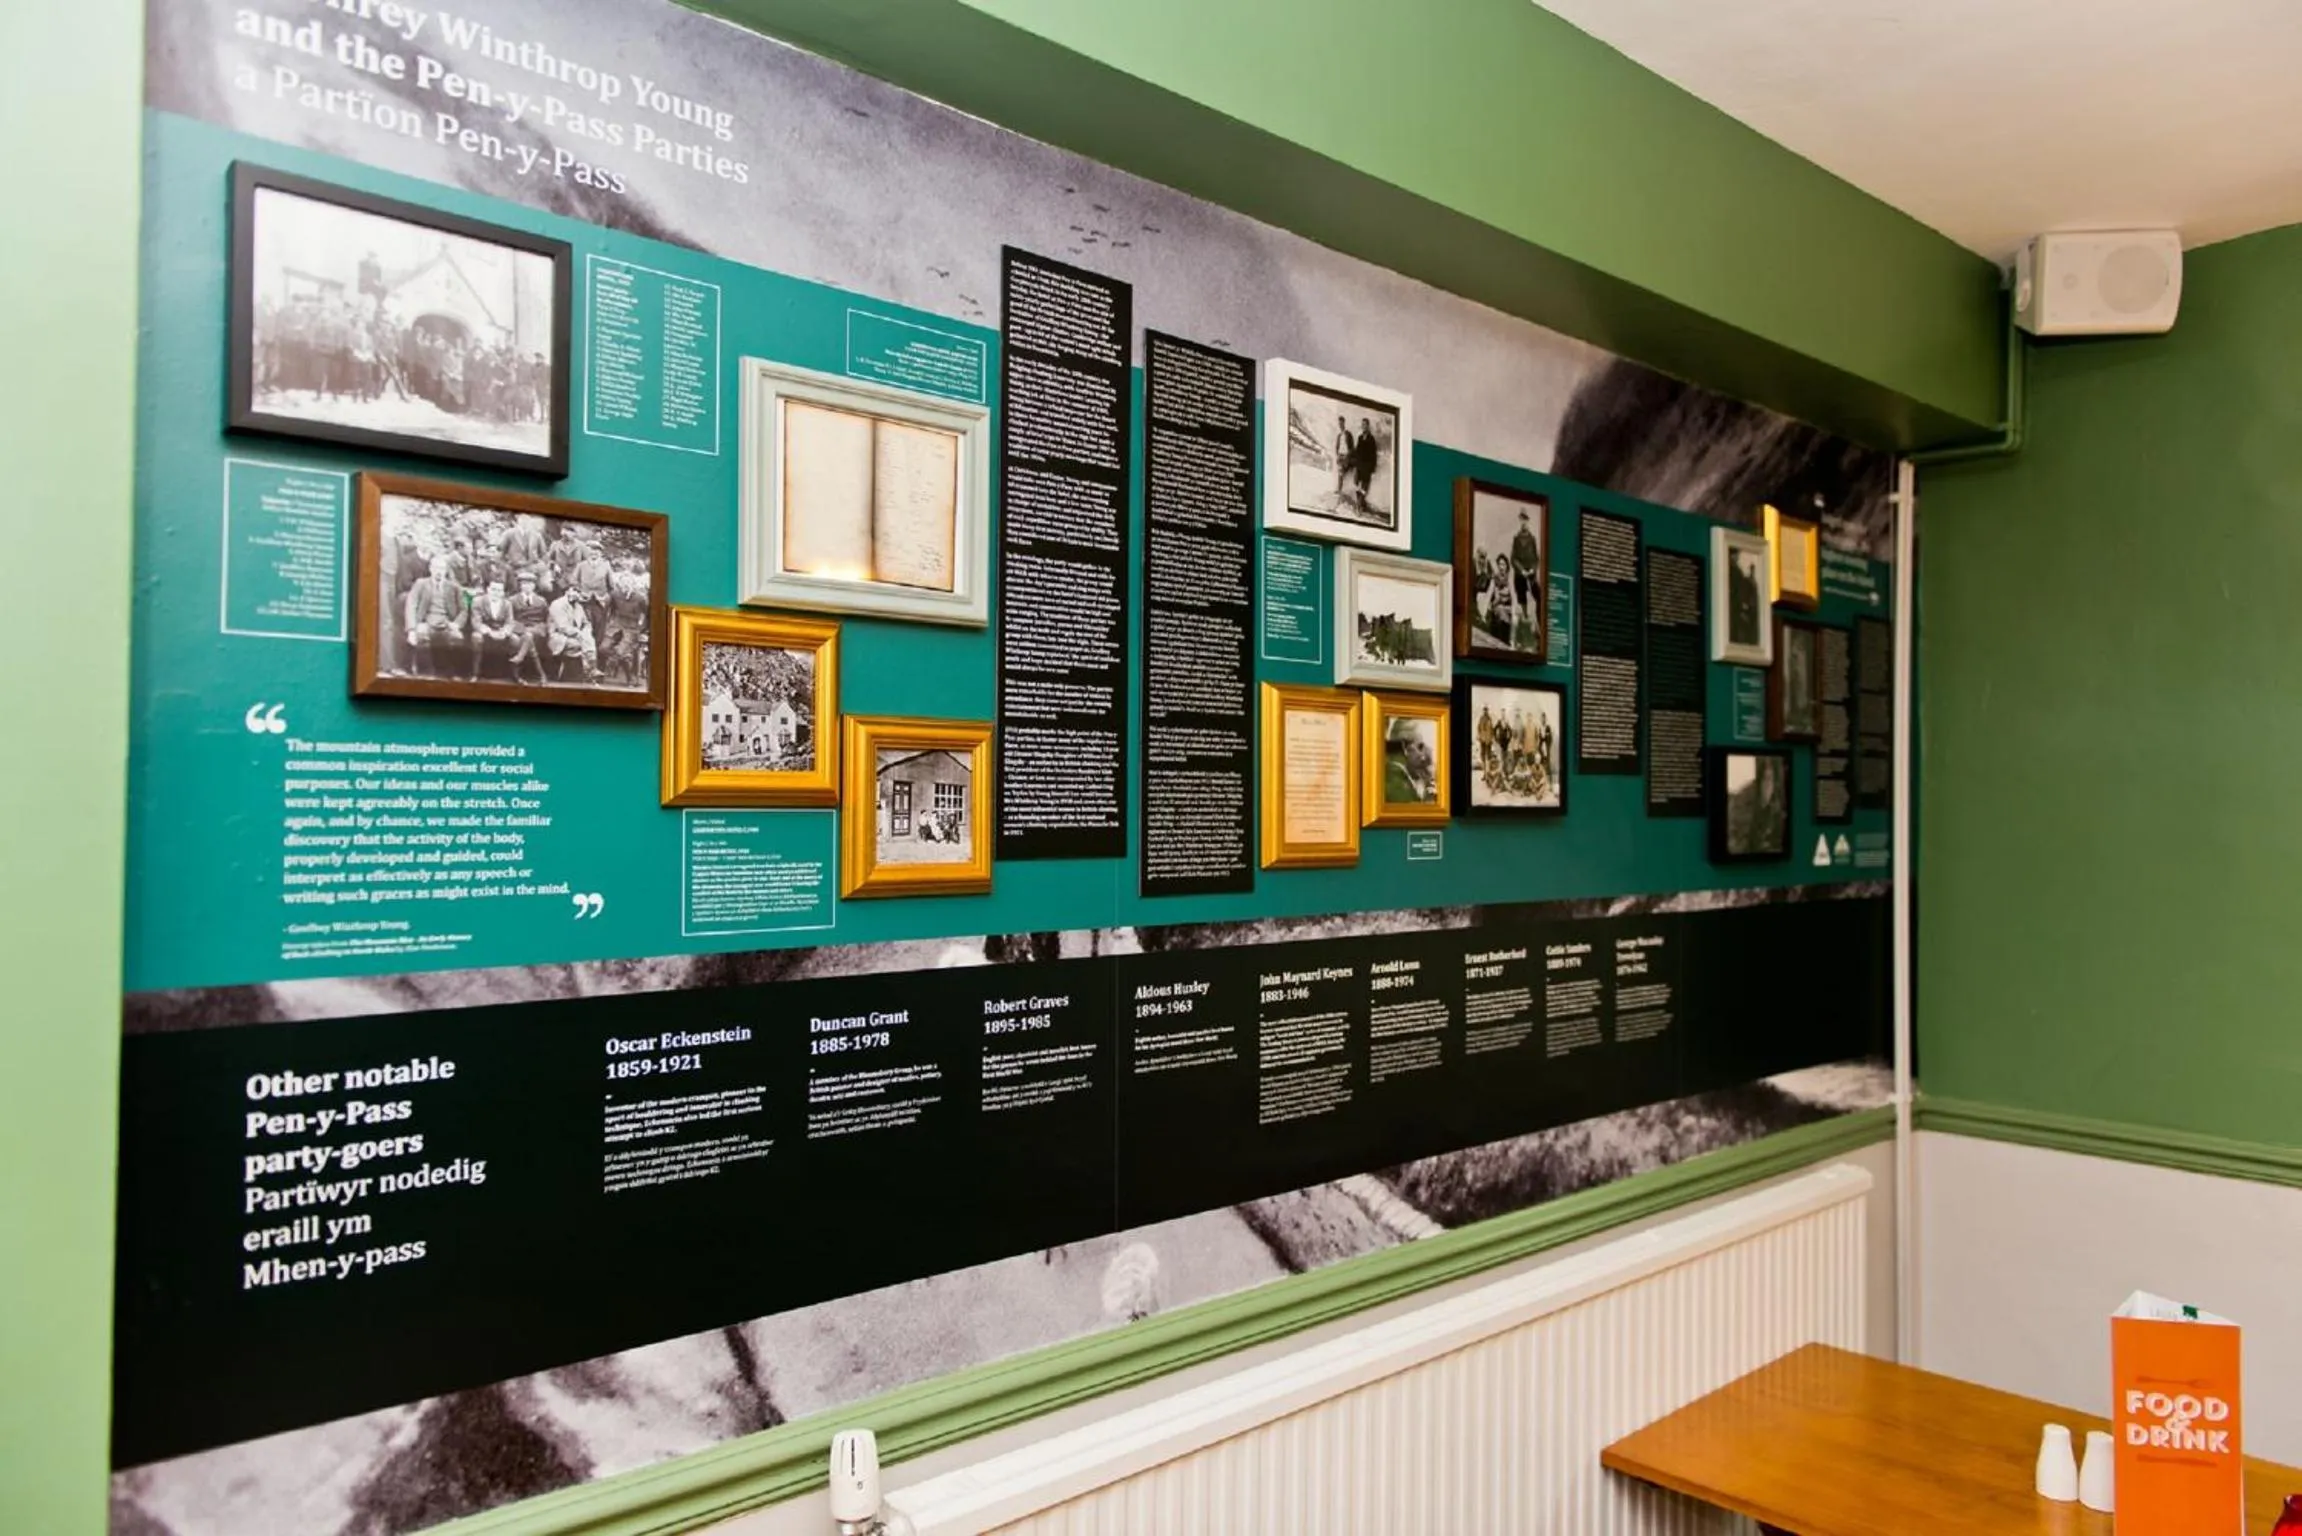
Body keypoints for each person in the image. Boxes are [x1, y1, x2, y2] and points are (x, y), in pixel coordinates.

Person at [403, 554, 466, 677]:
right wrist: (411, 629)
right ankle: (424, 673)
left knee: (457, 637)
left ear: (446, 570)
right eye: (436, 568)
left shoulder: (453, 587)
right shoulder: (421, 584)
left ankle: (451, 673)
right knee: (421, 634)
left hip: (447, 623)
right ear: (431, 569)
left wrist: (457, 624)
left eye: (442, 569)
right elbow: (411, 605)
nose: (439, 572)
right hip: (426, 622)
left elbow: (463, 609)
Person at [465, 578, 520, 682]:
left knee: (515, 640)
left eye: (499, 590)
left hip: (501, 632)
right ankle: (475, 673)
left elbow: (510, 622)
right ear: (488, 589)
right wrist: (489, 632)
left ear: (503, 592)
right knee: (477, 638)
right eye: (494, 589)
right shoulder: (478, 601)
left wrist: (504, 632)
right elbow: (476, 622)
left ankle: (515, 674)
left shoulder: (507, 604)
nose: (496, 593)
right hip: (484, 631)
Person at [506, 569, 550, 684]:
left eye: (530, 584)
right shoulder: (512, 600)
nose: (527, 587)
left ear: (534, 586)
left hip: (537, 630)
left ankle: (517, 668)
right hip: (520, 629)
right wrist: (522, 629)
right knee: (526, 638)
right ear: (520, 585)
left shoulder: (541, 601)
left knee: (529, 636)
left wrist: (538, 629)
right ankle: (541, 675)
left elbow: (546, 619)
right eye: (524, 584)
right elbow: (510, 619)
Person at [546, 588, 597, 682]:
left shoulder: (578, 606)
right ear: (566, 592)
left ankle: (591, 668)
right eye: (573, 591)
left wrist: (587, 631)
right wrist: (580, 634)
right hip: (558, 636)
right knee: (579, 644)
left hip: (576, 635)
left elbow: (586, 623)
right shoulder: (557, 604)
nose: (576, 594)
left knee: (588, 639)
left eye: (578, 592)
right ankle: (589, 670)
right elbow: (562, 627)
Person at [1509, 510, 1543, 645]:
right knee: (1522, 601)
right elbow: (1513, 558)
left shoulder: (1532, 539)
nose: (1524, 522)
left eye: (1526, 519)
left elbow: (1536, 558)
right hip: (1520, 576)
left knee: (1539, 596)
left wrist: (1532, 570)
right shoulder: (1516, 539)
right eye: (1522, 519)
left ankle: (1539, 626)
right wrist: (1522, 570)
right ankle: (1525, 631)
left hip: (1531, 575)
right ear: (1519, 521)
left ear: (1528, 521)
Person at [1351, 416, 1380, 509]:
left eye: (1365, 424)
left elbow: (1374, 455)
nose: (1363, 426)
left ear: (1368, 426)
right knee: (1356, 484)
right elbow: (1357, 451)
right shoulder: (1359, 437)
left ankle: (1359, 506)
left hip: (1367, 467)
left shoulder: (1371, 439)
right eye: (1362, 424)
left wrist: (1373, 469)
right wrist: (1354, 463)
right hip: (1359, 465)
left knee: (1364, 487)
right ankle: (1362, 503)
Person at [1331, 414, 1353, 505]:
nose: (1340, 425)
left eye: (1341, 423)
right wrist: (1337, 455)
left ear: (1344, 423)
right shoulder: (1339, 435)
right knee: (1340, 474)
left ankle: (1342, 492)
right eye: (1339, 424)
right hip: (1340, 456)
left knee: (1343, 473)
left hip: (1346, 456)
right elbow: (1337, 447)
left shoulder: (1348, 434)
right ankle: (1340, 491)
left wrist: (1347, 456)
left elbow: (1352, 447)